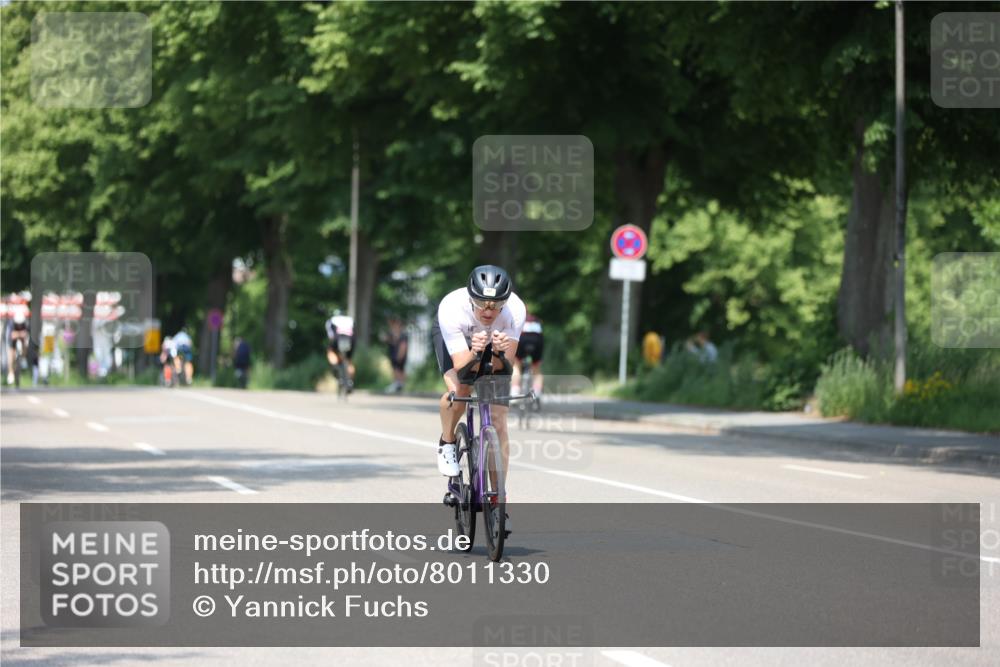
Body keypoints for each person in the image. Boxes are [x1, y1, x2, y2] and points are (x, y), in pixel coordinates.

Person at [434, 264, 525, 534]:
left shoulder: (515, 312)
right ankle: (447, 441)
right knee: (460, 392)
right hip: (461, 345)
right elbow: (464, 370)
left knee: (498, 419)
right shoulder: (452, 309)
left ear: (505, 304)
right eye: (481, 305)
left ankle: (498, 499)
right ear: (470, 299)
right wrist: (475, 353)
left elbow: (505, 368)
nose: (488, 312)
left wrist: (497, 353)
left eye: (495, 306)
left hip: (493, 349)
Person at [512, 311, 544, 397]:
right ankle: (537, 392)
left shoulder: (518, 318)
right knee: (536, 367)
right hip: (537, 339)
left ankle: (515, 390)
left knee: (516, 364)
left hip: (523, 338)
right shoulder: (537, 320)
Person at [325, 309, 355, 389]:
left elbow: (330, 336)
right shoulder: (349, 319)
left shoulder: (331, 320)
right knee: (349, 361)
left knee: (330, 352)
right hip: (351, 339)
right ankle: (350, 381)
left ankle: (336, 367)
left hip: (338, 338)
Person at [384, 316, 408, 393]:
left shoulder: (402, 335)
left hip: (399, 355)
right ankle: (398, 384)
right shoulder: (393, 334)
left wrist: (400, 355)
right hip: (394, 354)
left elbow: (403, 346)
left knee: (399, 369)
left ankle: (399, 384)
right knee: (396, 369)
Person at [7, 310, 29, 385]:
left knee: (25, 343)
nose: (19, 325)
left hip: (21, 339)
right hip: (12, 340)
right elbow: (11, 335)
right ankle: (10, 372)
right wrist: (20, 334)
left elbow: (26, 334)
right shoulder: (11, 323)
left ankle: (23, 357)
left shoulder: (25, 323)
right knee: (11, 351)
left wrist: (20, 335)